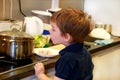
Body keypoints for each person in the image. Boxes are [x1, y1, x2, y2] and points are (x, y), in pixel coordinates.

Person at [34, 8, 94, 80]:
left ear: (66, 37)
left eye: (53, 29)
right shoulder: (85, 52)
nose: (49, 30)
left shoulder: (67, 59)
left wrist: (40, 74)